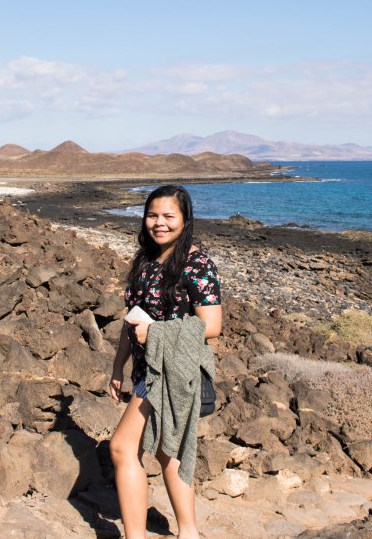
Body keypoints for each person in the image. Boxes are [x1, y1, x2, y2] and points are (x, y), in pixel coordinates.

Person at [108, 185, 222, 539]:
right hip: (146, 370)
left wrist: (156, 334)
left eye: (169, 216)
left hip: (172, 372)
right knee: (165, 450)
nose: (159, 223)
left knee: (122, 447)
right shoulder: (145, 260)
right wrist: (118, 367)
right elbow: (133, 320)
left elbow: (212, 325)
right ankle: (188, 532)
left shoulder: (196, 263)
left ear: (185, 220)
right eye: (153, 215)